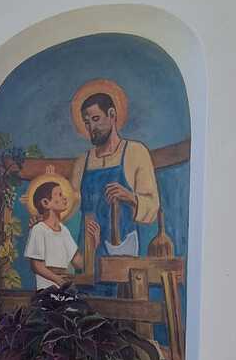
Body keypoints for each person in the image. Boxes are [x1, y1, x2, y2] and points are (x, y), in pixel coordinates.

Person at [70, 92, 159, 256]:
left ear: (112, 115)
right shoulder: (82, 162)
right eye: (87, 122)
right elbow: (70, 206)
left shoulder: (136, 152)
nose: (91, 128)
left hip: (122, 249)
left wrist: (129, 196)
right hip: (88, 249)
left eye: (96, 119)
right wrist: (46, 219)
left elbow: (153, 207)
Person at [24, 180, 96, 288]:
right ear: (45, 203)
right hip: (47, 288)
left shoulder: (64, 231)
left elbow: (79, 263)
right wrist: (58, 280)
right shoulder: (39, 229)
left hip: (63, 286)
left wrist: (93, 244)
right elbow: (37, 266)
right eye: (60, 194)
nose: (65, 198)